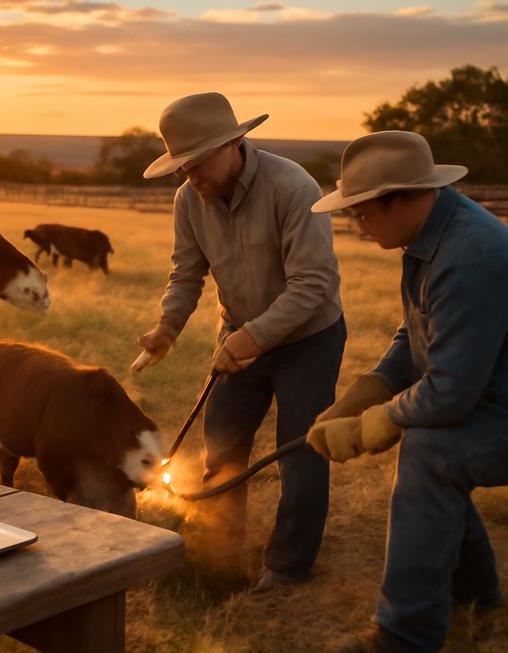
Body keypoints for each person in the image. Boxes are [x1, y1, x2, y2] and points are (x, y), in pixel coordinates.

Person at [306, 130, 508, 652]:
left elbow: (448, 393)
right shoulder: (429, 238)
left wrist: (381, 422)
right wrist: (365, 392)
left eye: (362, 212)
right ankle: (476, 598)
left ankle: (403, 636)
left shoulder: (468, 255)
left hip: (496, 407)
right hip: (488, 398)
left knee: (430, 452)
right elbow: (415, 335)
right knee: (435, 453)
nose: (356, 224)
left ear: (399, 199)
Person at [137, 92, 345, 592]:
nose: (191, 176)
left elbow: (313, 286)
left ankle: (290, 566)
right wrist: (168, 327)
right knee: (222, 448)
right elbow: (186, 273)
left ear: (233, 143)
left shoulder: (293, 186)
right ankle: (220, 552)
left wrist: (251, 337)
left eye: (197, 161)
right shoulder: (189, 199)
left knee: (301, 451)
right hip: (238, 336)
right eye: (182, 167)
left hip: (309, 338)